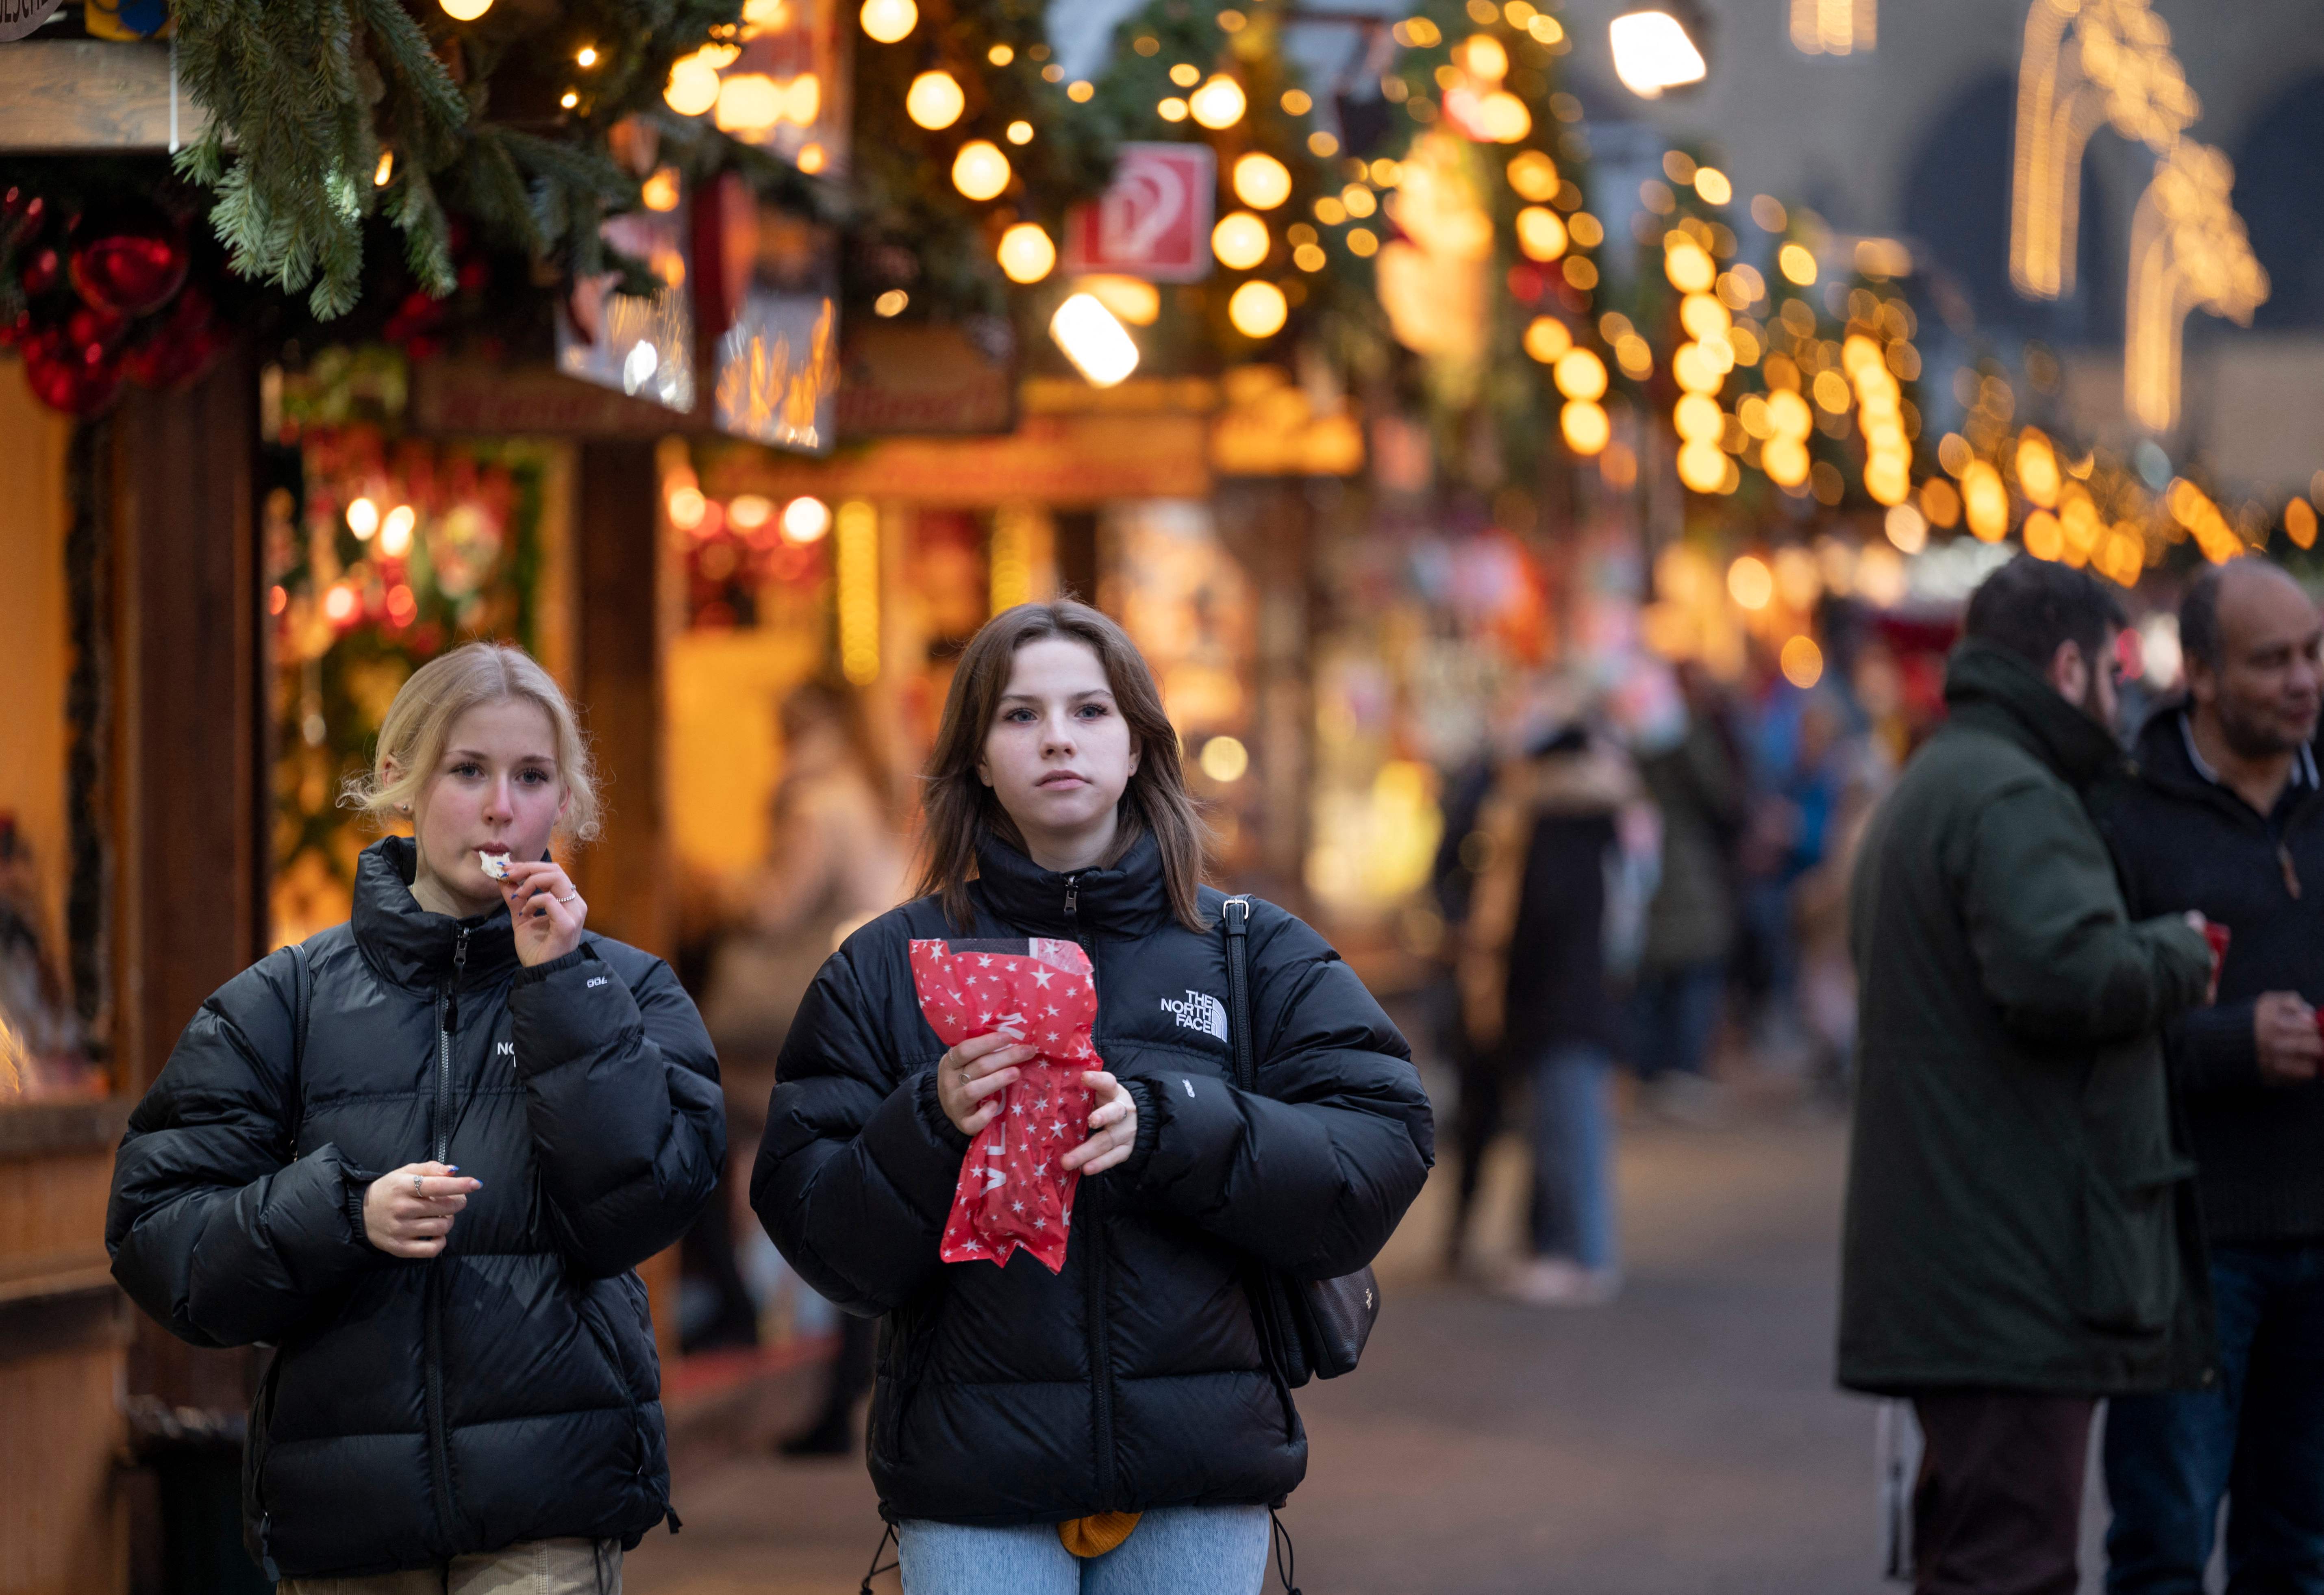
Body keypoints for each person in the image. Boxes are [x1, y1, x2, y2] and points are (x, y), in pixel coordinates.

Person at [752, 599, 1433, 1595]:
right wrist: (928, 1122)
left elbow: (1379, 1149)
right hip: (970, 1475)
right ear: (976, 757)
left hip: (1195, 1469)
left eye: (1089, 710)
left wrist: (1174, 1122)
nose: (1057, 737)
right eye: (1019, 715)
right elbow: (819, 1230)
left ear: (1139, 746)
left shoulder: (1250, 950)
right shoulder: (884, 968)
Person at [107, 643, 726, 1593]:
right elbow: (156, 1232)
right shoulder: (288, 998)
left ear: (563, 800)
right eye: (466, 769)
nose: (498, 806)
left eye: (530, 776)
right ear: (399, 777)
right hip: (346, 1512)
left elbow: (641, 1208)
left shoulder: (624, 987)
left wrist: (561, 985)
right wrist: (344, 1213)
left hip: (546, 1501)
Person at [1838, 556, 2218, 1595]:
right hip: (2006, 1268)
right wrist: (2177, 952)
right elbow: (2063, 971)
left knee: (1974, 1547)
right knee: (2008, 1559)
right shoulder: (2012, 793)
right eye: (2114, 668)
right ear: (2066, 666)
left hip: (1967, 1259)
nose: (2122, 694)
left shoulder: (1951, 774)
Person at [2094, 560, 2324, 1595]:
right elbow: (2089, 1033)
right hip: (2188, 1247)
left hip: (2317, 1233)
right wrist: (2229, 1044)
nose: (2300, 679)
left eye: (2312, 652)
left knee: (2297, 1549)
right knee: (2163, 1546)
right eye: (2270, 659)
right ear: (2197, 673)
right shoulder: (2127, 818)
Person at [1456, 721, 1638, 1306]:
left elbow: (1540, 926)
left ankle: (1580, 1257)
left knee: (1568, 1135)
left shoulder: (1558, 829)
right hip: (1577, 1003)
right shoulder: (1597, 824)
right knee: (1560, 1134)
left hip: (1558, 1007)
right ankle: (1563, 1250)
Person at [1628, 663, 1744, 1120]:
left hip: (1645, 866)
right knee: (1693, 968)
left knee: (1654, 974)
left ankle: (1651, 1070)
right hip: (1685, 866)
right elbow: (1719, 795)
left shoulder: (1629, 736)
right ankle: (1681, 1069)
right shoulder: (1686, 737)